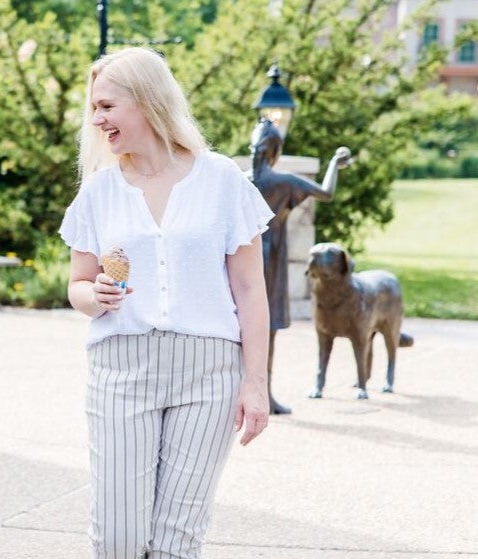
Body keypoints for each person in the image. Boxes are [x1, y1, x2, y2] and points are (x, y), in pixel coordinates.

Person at [59, 47, 274, 559]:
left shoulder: (222, 179)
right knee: (118, 538)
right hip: (120, 369)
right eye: (94, 108)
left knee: (178, 539)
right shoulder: (98, 191)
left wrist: (256, 383)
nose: (97, 119)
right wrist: (96, 296)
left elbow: (250, 289)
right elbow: (77, 286)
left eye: (107, 105)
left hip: (208, 373)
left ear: (145, 100)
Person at [248, 118, 351, 414]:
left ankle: (253, 393)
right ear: (275, 151)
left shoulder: (241, 179)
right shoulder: (283, 182)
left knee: (244, 324)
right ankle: (262, 394)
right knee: (266, 328)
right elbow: (326, 192)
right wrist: (334, 161)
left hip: (244, 257)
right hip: (271, 258)